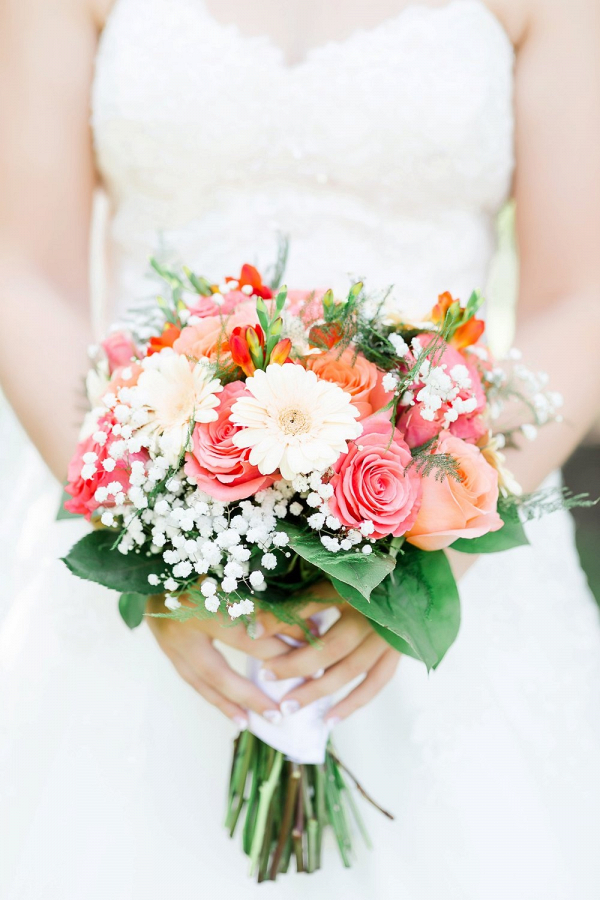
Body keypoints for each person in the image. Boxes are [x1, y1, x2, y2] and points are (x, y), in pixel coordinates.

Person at [1, 0, 599, 897]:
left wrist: (434, 544)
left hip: (453, 512)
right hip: (141, 489)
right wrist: (150, 541)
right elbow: (23, 271)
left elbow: (578, 296)